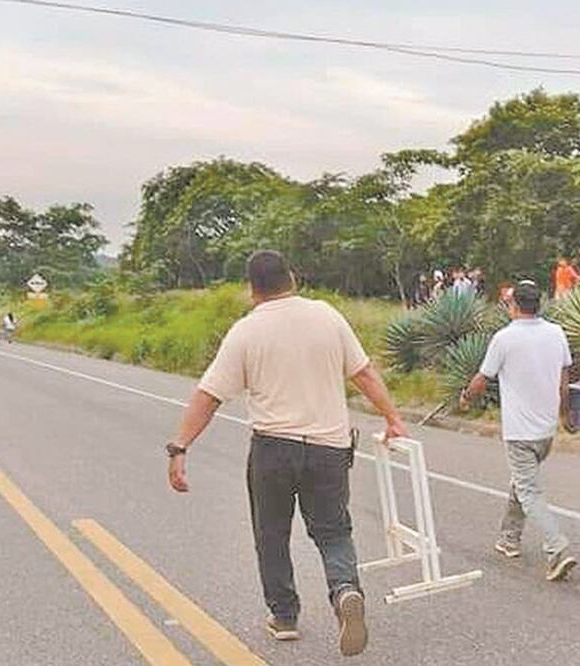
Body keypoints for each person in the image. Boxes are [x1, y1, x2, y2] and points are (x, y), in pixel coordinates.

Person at [163, 250, 408, 657]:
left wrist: (180, 447)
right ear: (292, 278)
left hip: (273, 448)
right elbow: (363, 372)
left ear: (251, 289)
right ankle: (345, 590)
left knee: (271, 533)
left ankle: (285, 616)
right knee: (333, 531)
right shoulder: (327, 316)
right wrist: (393, 418)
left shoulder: (247, 330)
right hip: (329, 447)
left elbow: (209, 395)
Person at [460, 279, 578, 582]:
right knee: (522, 484)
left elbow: (482, 378)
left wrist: (465, 397)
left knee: (528, 490)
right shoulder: (556, 333)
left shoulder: (504, 338)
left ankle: (557, 547)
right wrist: (564, 414)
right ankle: (508, 539)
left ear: (513, 306)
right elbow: (564, 380)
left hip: (519, 431)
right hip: (546, 430)